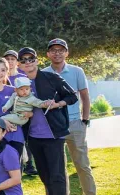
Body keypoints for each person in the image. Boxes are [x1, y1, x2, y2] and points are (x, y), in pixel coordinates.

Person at [18, 47, 78, 195]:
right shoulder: (17, 83)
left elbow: (72, 96)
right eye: (23, 60)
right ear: (19, 64)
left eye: (31, 59)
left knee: (57, 176)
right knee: (45, 176)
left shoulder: (51, 77)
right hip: (33, 138)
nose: (28, 62)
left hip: (53, 136)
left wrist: (58, 104)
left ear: (37, 61)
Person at [41, 38, 96, 195]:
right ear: (48, 54)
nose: (57, 53)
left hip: (74, 123)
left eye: (60, 50)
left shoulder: (77, 71)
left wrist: (84, 120)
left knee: (82, 165)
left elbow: (85, 97)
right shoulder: (43, 74)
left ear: (66, 53)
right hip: (51, 127)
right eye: (53, 50)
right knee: (55, 167)